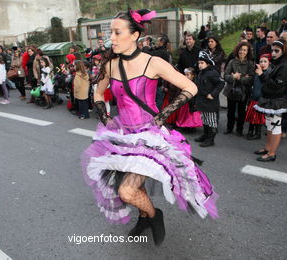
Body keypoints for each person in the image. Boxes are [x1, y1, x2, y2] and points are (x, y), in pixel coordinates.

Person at [81, 9, 218, 246]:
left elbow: (190, 87)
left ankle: (155, 216)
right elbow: (98, 93)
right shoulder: (111, 65)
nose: (111, 38)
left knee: (127, 191)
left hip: (150, 138)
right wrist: (105, 116)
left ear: (134, 35)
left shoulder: (154, 62)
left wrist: (163, 114)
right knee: (133, 187)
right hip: (124, 137)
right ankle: (145, 217)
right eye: (110, 32)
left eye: (117, 32)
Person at [253, 40, 287, 162]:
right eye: (272, 50)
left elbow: (276, 85)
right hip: (269, 98)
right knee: (270, 125)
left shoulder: (285, 65)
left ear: (283, 51)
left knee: (275, 127)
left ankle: (272, 153)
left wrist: (261, 75)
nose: (274, 53)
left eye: (277, 51)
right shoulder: (277, 63)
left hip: (277, 100)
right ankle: (268, 148)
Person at [223, 41, 255, 136]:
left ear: (248, 52)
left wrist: (239, 78)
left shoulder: (250, 64)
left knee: (241, 111)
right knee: (231, 111)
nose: (242, 52)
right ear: (238, 50)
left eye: (245, 50)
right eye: (241, 50)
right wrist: (233, 77)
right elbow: (225, 76)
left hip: (243, 92)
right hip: (231, 90)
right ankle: (229, 128)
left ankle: (239, 129)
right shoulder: (232, 62)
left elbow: (251, 79)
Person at [195, 51, 225, 147]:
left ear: (207, 63)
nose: (200, 65)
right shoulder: (201, 73)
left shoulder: (212, 73)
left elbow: (221, 83)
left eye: (202, 63)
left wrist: (213, 94)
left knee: (211, 120)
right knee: (205, 119)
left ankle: (211, 139)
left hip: (210, 102)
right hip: (202, 101)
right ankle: (205, 134)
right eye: (199, 63)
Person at [245, 54, 270, 140]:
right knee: (251, 115)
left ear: (269, 63)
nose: (262, 63)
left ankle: (257, 133)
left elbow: (267, 84)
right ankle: (250, 131)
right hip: (254, 98)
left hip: (261, 100)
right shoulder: (256, 73)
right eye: (261, 61)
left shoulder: (268, 73)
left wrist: (261, 74)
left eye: (265, 61)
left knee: (259, 118)